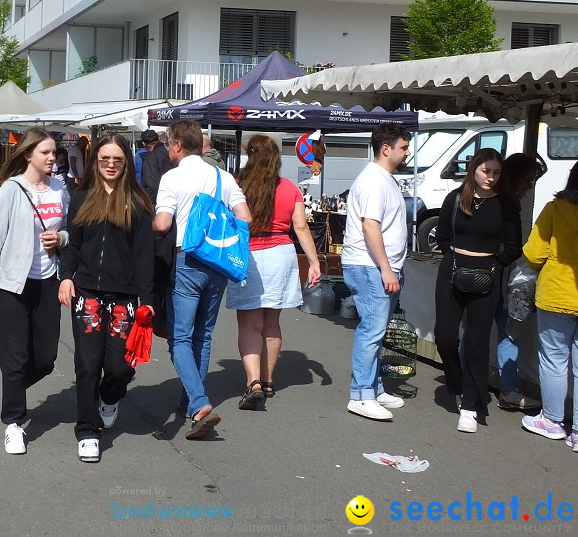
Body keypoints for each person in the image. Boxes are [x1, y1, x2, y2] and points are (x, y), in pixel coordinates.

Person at [0, 129, 69, 455]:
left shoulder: (59, 189)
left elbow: (69, 229)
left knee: (46, 357)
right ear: (28, 155)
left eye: (54, 152)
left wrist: (62, 239)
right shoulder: (10, 190)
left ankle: (13, 387)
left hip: (48, 281)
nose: (52, 158)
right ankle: (13, 422)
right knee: (14, 359)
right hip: (12, 285)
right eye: (46, 153)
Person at [59, 134, 155, 463]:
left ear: (126, 162)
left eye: (117, 160)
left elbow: (145, 255)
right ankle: (87, 430)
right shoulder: (82, 196)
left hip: (126, 294)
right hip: (86, 291)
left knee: (118, 366)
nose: (110, 165)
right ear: (94, 162)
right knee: (87, 364)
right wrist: (67, 276)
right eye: (104, 159)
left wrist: (147, 298)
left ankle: (110, 395)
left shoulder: (139, 202)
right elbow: (72, 243)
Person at [153, 121, 251, 439]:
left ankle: (198, 402)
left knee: (180, 338)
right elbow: (245, 217)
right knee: (203, 336)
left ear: (179, 145)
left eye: (169, 143)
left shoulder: (173, 177)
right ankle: (189, 399)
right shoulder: (224, 178)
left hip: (186, 259)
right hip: (218, 263)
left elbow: (163, 223)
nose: (168, 149)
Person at [227, 135, 321, 409]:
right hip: (281, 253)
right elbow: (301, 227)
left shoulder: (238, 185)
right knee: (271, 322)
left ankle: (253, 381)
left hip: (248, 255)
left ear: (250, 157)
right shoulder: (290, 188)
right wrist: (314, 262)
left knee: (249, 323)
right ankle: (268, 381)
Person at [434, 148, 521, 433]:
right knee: (445, 337)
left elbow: (513, 247)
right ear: (474, 170)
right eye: (486, 171)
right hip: (452, 270)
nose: (491, 178)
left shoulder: (506, 204)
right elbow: (443, 236)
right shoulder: (455, 198)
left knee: (476, 343)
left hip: (487, 275)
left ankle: (471, 405)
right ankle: (458, 385)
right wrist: (457, 258)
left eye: (497, 173)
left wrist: (494, 264)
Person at [341, 123, 412, 421]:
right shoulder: (374, 180)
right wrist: (386, 269)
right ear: (386, 149)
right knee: (371, 330)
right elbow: (371, 225)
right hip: (370, 266)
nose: (407, 152)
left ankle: (373, 387)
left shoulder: (383, 178)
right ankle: (361, 394)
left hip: (377, 267)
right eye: (404, 147)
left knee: (376, 330)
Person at [520, 161, 578, 449]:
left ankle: (553, 421)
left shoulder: (555, 209)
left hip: (557, 294)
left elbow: (533, 254)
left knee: (555, 360)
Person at [495, 153, 542, 411]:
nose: (530, 186)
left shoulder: (503, 199)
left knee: (500, 334)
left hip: (501, 279)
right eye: (528, 180)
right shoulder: (507, 203)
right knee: (507, 334)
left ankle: (474, 387)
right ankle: (507, 390)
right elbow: (514, 249)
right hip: (501, 281)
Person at [141, 128, 173, 205]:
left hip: (157, 204)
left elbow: (151, 186)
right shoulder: (170, 153)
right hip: (172, 200)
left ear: (144, 144)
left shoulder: (150, 158)